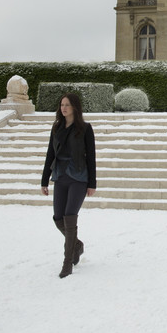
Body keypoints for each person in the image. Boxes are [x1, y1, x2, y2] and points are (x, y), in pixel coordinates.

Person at [41, 93, 96, 278]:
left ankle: (67, 263)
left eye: (67, 105)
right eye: (62, 104)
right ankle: (77, 245)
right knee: (58, 218)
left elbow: (91, 157)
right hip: (60, 176)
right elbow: (50, 154)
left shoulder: (85, 129)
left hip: (79, 177)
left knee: (70, 217)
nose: (63, 108)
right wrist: (44, 180)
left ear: (75, 108)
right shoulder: (56, 128)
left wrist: (92, 183)